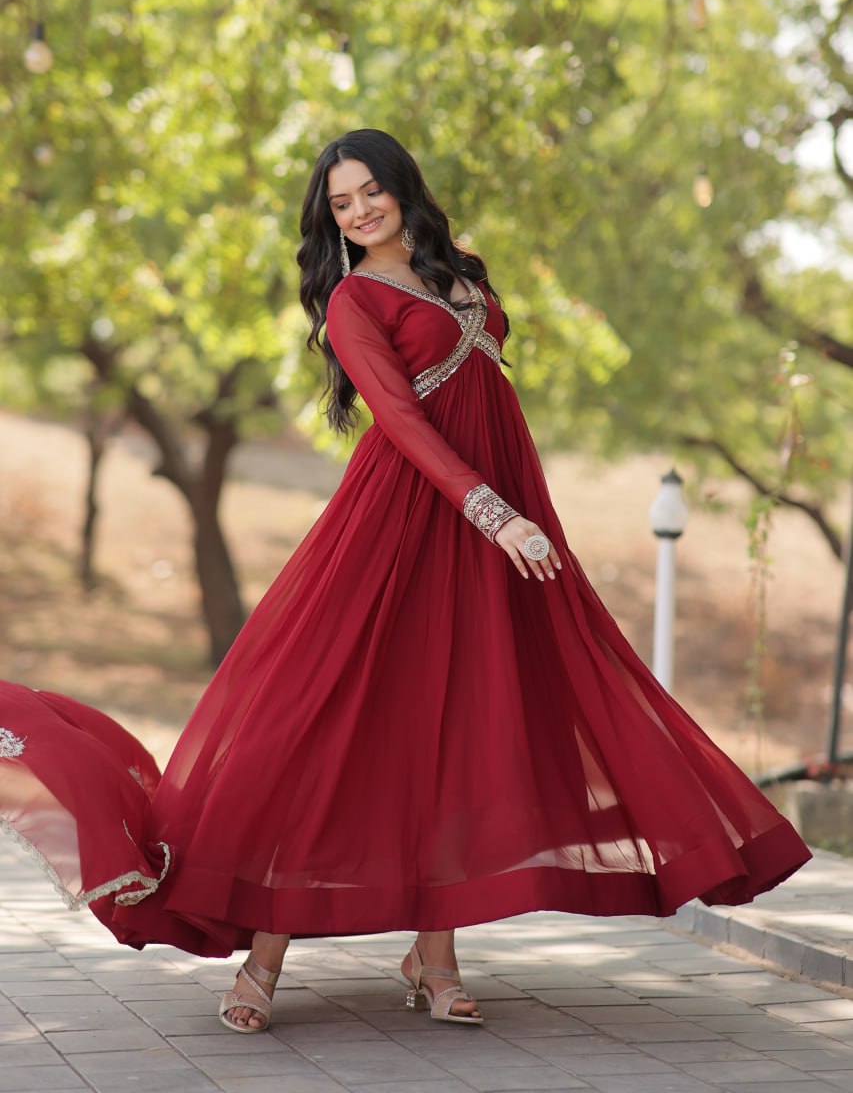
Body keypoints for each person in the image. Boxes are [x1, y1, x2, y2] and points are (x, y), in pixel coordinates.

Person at [0, 129, 810, 1035]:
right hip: (400, 526)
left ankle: (436, 957)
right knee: (329, 728)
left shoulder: (464, 270)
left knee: (458, 727)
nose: (358, 213)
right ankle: (265, 961)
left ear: (400, 187)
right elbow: (399, 417)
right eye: (339, 205)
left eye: (368, 193)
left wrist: (510, 512)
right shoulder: (352, 298)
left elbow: (490, 401)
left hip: (487, 530)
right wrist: (491, 511)